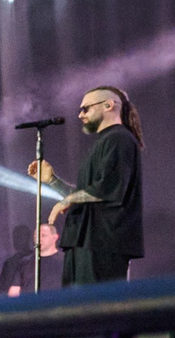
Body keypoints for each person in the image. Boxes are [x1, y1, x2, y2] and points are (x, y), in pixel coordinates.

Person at [32, 84, 145, 285]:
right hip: (84, 241)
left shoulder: (119, 138)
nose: (80, 115)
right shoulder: (104, 142)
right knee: (76, 309)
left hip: (102, 243)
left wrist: (68, 200)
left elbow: (109, 187)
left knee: (96, 308)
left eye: (85, 108)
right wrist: (52, 180)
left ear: (108, 105)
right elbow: (87, 195)